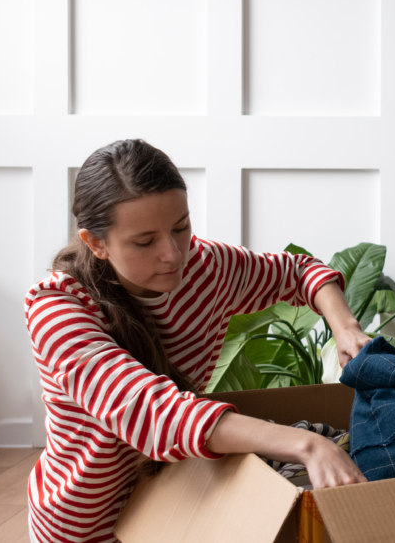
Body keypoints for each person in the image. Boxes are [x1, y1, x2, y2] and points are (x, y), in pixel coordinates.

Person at [24, 139, 372, 543]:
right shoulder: (56, 308)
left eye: (181, 227)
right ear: (96, 242)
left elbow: (299, 271)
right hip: (84, 522)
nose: (173, 254)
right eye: (144, 241)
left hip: (175, 502)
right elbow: (153, 412)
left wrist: (346, 327)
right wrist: (308, 446)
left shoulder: (206, 268)